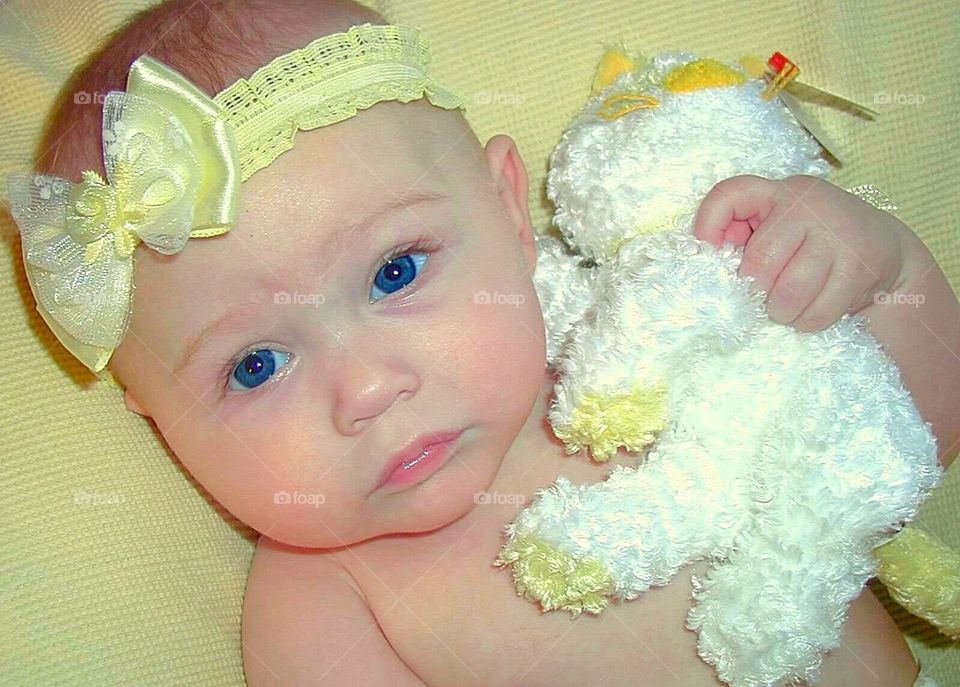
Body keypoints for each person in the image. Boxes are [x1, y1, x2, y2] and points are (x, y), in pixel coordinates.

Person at [10, 0, 958, 684]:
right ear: (156, 412)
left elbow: (920, 436)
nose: (368, 389)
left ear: (511, 209)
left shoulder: (638, 337)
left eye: (396, 272)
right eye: (255, 365)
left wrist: (882, 269)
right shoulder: (316, 606)